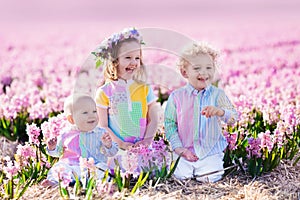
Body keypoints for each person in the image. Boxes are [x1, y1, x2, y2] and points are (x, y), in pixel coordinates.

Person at [164, 42, 238, 183]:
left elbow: (234, 118)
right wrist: (179, 149)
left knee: (210, 177)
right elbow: (169, 124)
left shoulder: (218, 95)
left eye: (209, 68)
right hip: (184, 150)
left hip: (209, 151)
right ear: (184, 72)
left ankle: (202, 168)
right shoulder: (176, 97)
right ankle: (187, 166)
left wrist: (220, 112)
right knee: (180, 176)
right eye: (197, 68)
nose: (204, 72)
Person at [94, 27, 160, 150]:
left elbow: (153, 119)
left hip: (142, 148)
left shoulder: (145, 88)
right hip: (117, 149)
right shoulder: (104, 92)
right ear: (115, 61)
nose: (134, 62)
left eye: (137, 58)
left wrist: (146, 142)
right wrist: (121, 144)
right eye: (128, 58)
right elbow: (103, 125)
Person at [43, 94, 118, 186]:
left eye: (94, 111)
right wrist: (52, 148)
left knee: (103, 168)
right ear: (71, 119)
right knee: (58, 168)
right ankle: (55, 182)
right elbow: (58, 153)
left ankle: (100, 183)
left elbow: (112, 152)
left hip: (92, 167)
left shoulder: (101, 133)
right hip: (72, 167)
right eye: (85, 113)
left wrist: (108, 145)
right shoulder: (66, 134)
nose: (92, 115)